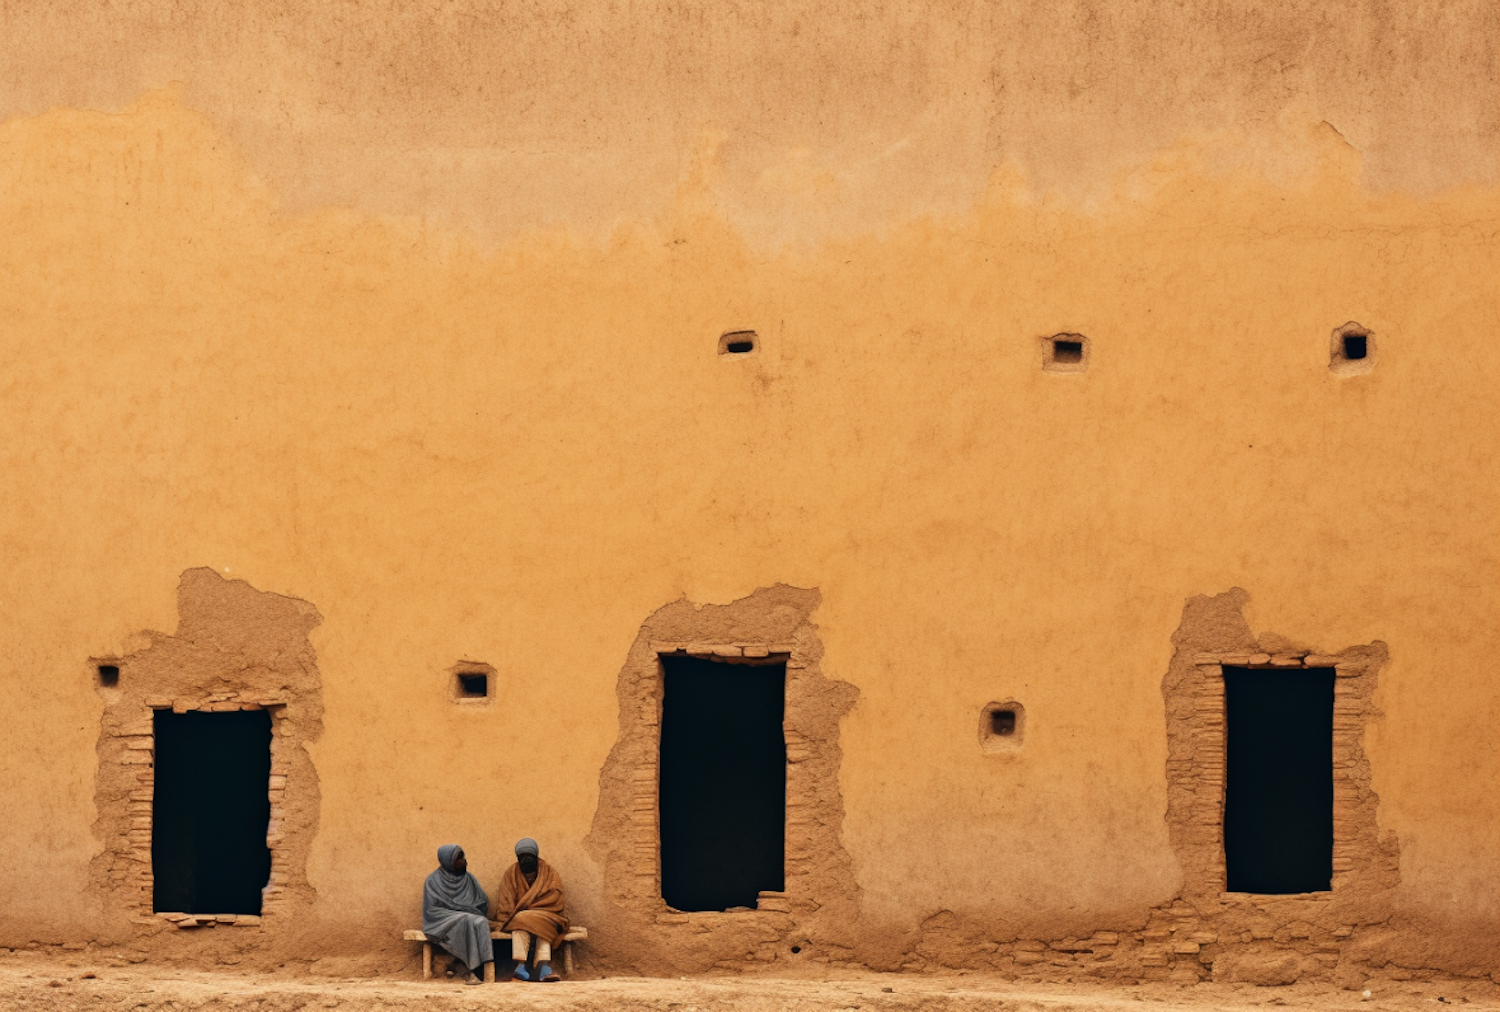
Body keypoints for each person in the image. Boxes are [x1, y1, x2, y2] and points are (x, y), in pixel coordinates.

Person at [493, 837, 569, 982]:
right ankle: (520, 966)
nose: (526, 860)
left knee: (539, 925)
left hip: (547, 915)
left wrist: (531, 911)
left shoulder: (549, 873)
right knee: (520, 924)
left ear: (536, 856)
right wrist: (519, 914)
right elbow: (506, 901)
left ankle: (544, 966)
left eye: (530, 857)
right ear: (517, 858)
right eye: (523, 857)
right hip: (518, 917)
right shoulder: (511, 874)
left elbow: (555, 899)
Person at [421, 844, 494, 985]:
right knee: (466, 920)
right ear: (448, 861)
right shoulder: (433, 881)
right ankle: (473, 970)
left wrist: (471, 908)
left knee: (480, 922)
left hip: (468, 915)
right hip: (441, 919)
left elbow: (482, 900)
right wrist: (460, 911)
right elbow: (431, 910)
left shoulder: (469, 879)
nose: (464, 861)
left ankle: (479, 968)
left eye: (463, 858)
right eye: (459, 859)